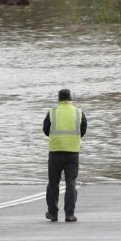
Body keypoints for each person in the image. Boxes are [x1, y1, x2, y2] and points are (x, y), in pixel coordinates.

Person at [43, 88, 87, 222]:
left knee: (53, 183)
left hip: (55, 151)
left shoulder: (52, 112)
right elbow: (83, 130)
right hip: (72, 153)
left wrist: (57, 138)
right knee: (70, 183)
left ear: (59, 99)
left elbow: (45, 130)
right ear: (70, 98)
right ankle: (69, 214)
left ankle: (53, 213)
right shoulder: (78, 112)